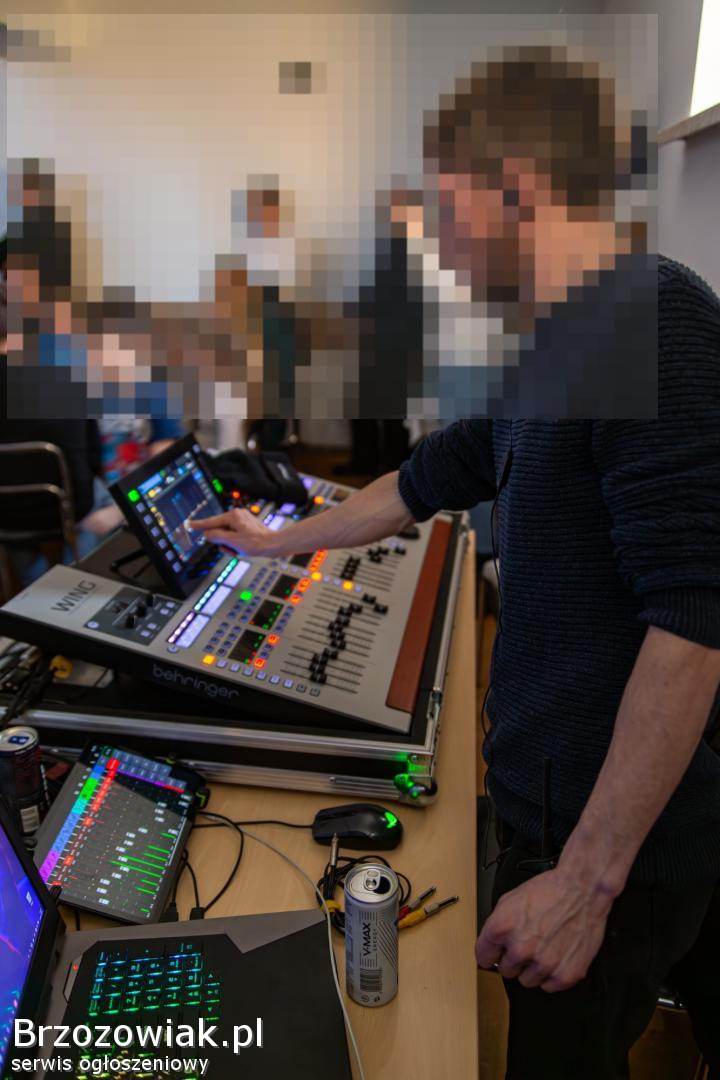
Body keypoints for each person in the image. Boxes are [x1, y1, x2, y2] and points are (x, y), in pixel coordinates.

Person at [188, 253, 720, 1077]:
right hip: (550, 810)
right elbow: (415, 483)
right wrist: (275, 543)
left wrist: (585, 884)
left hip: (610, 844)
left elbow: (694, 623)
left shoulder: (646, 314)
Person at [358, 46, 656, 418]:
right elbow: (451, 455)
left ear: (516, 193)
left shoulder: (657, 335)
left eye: (448, 209)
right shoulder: (548, 350)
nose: (439, 241)